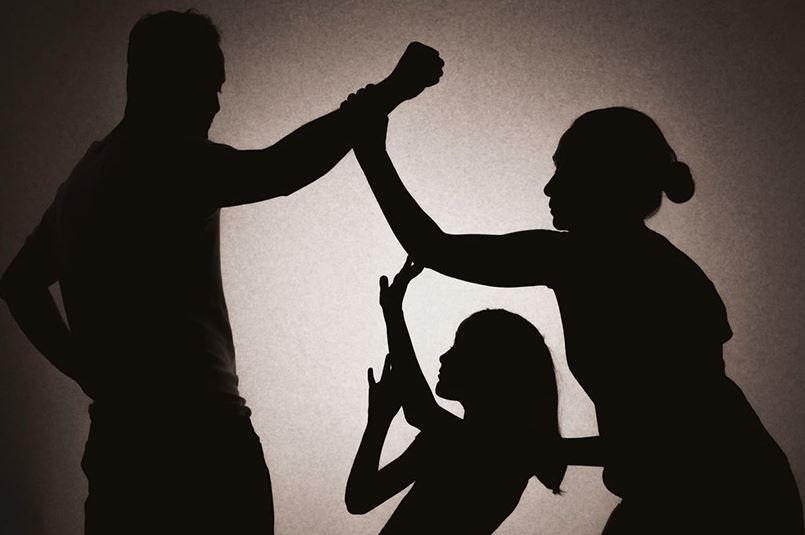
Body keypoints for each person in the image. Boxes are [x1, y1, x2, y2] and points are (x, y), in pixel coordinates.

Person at [0, 10, 443, 534]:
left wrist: (86, 370)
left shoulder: (83, 181)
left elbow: (19, 283)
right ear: (165, 79)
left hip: (119, 445)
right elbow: (281, 169)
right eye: (208, 84)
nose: (215, 103)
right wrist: (388, 92)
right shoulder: (164, 160)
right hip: (200, 439)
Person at [351, 108, 804, 533]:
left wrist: (370, 150)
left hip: (720, 492)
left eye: (562, 171)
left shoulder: (591, 263)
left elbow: (680, 434)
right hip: (696, 487)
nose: (549, 189)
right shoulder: (643, 268)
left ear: (600, 177)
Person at [345, 258, 566, 533]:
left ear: (489, 371)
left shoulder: (497, 449)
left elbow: (419, 410)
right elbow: (360, 498)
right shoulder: (448, 441)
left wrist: (392, 312)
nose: (444, 356)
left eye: (459, 348)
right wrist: (378, 422)